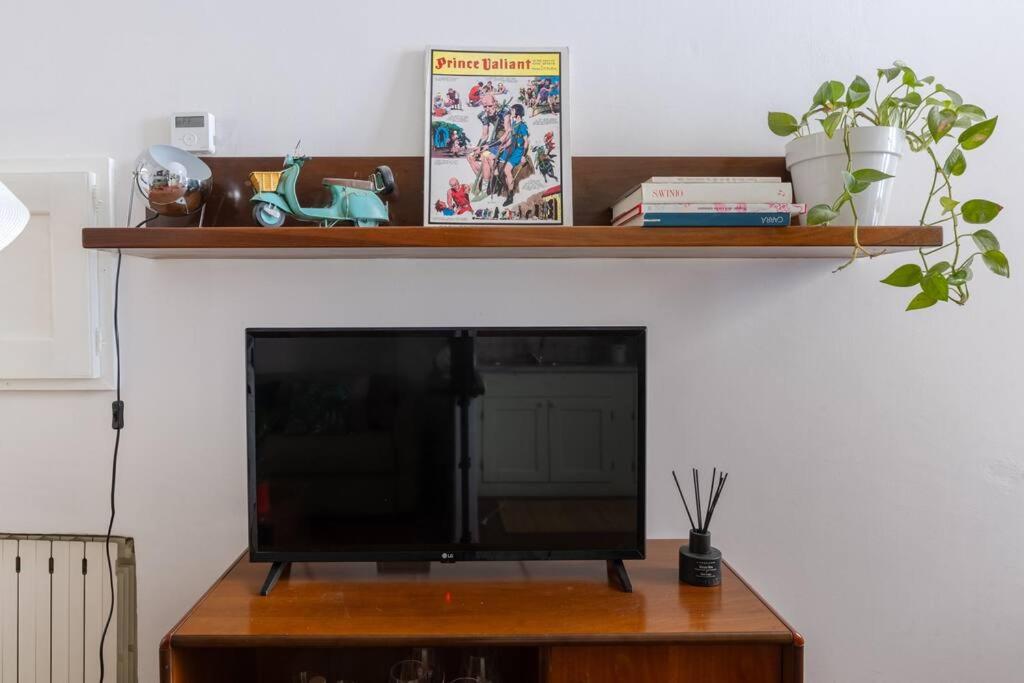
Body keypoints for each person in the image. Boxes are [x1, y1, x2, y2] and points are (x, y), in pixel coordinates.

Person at [467, 93, 509, 196]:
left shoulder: (504, 112)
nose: (487, 109)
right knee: (470, 157)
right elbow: (485, 135)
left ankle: (486, 190)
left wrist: (489, 146)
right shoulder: (485, 115)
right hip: (493, 141)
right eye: (485, 107)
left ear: (495, 103)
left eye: (490, 106)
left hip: (505, 141)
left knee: (486, 157)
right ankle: (485, 179)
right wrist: (479, 146)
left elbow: (508, 133)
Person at [497, 104, 529, 206]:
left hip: (518, 151)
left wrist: (523, 155)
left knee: (507, 170)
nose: (511, 112)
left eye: (513, 110)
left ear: (518, 113)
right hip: (512, 149)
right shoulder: (514, 123)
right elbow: (512, 139)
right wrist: (504, 146)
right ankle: (506, 188)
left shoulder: (522, 126)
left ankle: (510, 196)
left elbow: (526, 141)